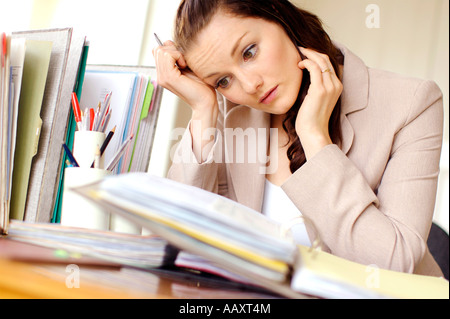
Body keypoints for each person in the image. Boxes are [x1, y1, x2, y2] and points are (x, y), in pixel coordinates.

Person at [152, 0, 444, 277]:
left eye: (249, 52)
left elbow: (394, 262)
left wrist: (316, 139)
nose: (250, 85)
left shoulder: (411, 103)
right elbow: (168, 247)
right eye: (223, 80)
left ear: (279, 13)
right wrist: (202, 110)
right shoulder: (232, 113)